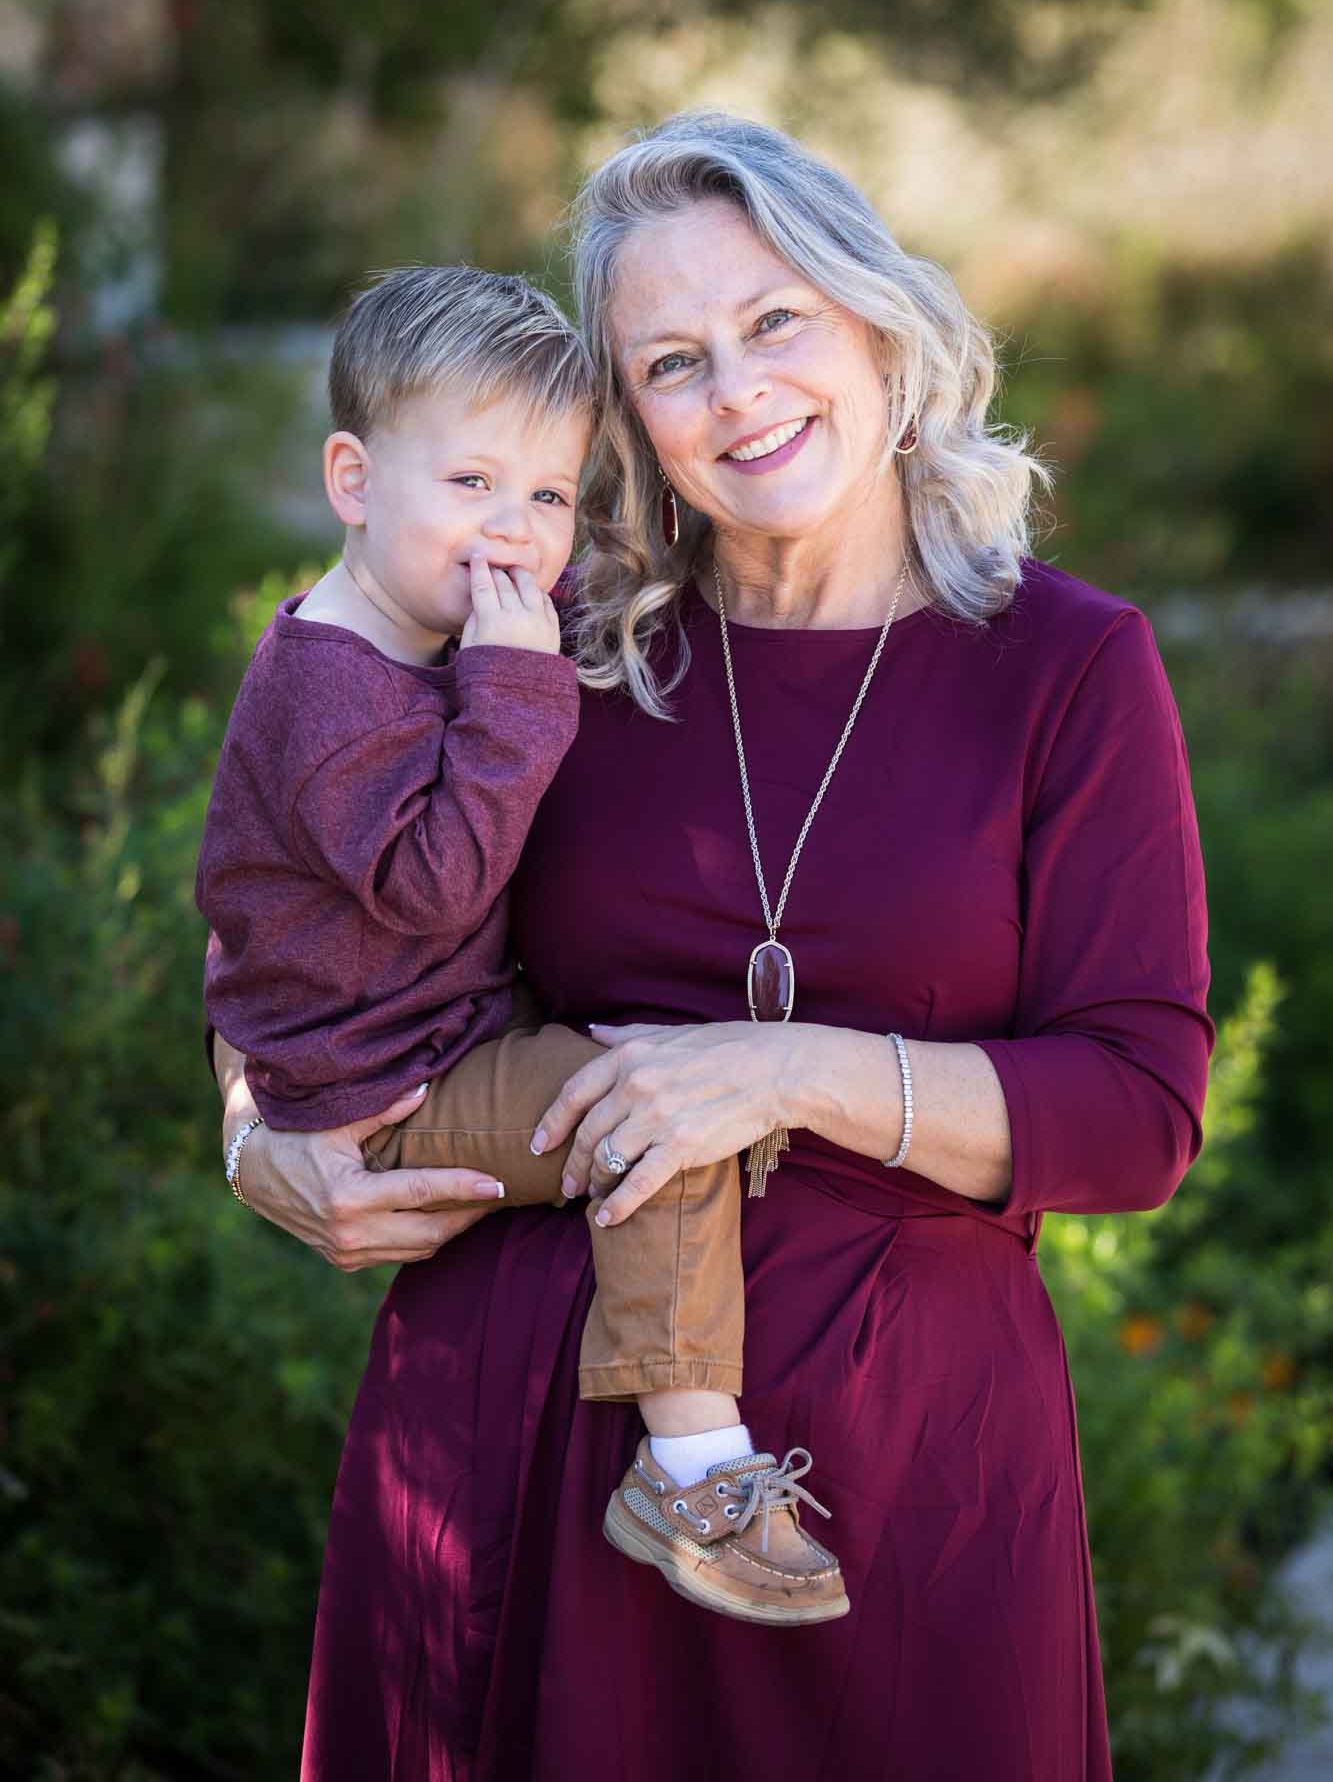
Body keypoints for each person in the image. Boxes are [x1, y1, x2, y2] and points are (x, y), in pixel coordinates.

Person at [214, 112, 1212, 1780]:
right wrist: (255, 1128)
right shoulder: (539, 657)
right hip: (508, 1453)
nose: (738, 390)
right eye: (671, 362)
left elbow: (1136, 1115)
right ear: (627, 424)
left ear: (876, 326)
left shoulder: (1066, 667)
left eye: (774, 323)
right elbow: (290, 879)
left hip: (903, 1488)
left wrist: (781, 1074)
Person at [199, 260, 849, 1632]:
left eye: (547, 498)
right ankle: (691, 1472)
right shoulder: (332, 686)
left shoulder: (429, 618)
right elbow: (436, 882)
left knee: (645, 1091)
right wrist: (514, 689)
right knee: (646, 1124)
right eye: (470, 486)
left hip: (430, 1038)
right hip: (388, 1088)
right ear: (352, 479)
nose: (514, 535)